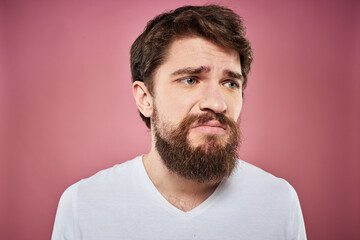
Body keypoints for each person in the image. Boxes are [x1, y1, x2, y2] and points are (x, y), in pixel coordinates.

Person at [52, 5, 306, 240]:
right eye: (190, 79)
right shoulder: (83, 205)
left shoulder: (278, 202)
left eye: (230, 83)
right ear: (145, 98)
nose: (217, 104)